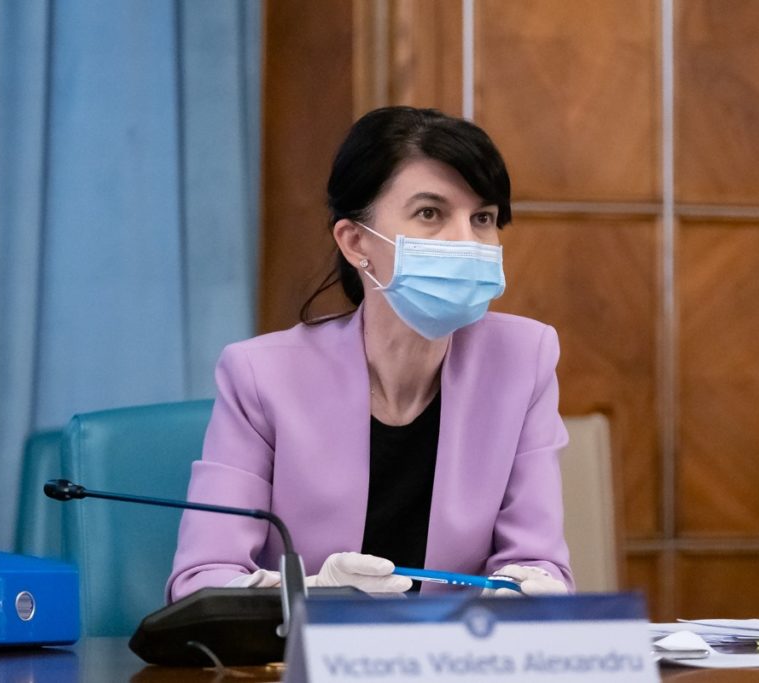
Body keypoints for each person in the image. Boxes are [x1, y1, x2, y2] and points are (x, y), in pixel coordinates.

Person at [166, 107, 573, 601]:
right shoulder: (260, 376)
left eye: (482, 218)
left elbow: (538, 560)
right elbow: (201, 581)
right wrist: (312, 594)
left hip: (460, 649)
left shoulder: (523, 360)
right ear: (356, 241)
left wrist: (528, 591)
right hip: (302, 649)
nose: (466, 241)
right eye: (430, 213)